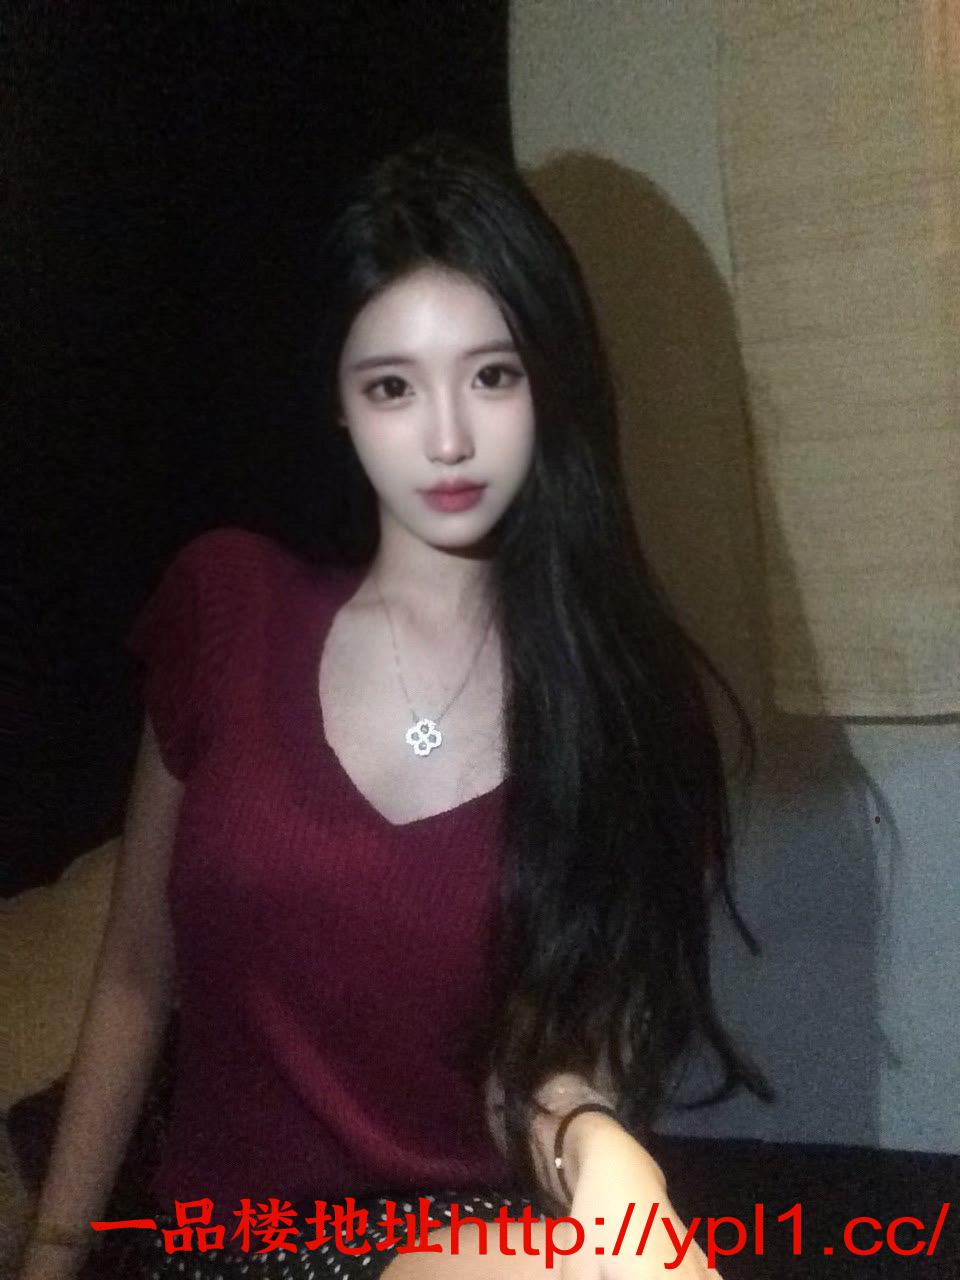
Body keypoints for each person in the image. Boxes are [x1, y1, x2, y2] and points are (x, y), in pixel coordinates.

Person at [18, 132, 773, 1280]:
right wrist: (54, 1250)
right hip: (232, 1247)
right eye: (392, 386)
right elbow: (135, 968)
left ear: (548, 380)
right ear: (338, 402)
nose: (449, 437)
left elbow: (553, 1061)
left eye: (492, 374)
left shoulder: (615, 700)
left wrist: (596, 1139)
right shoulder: (229, 608)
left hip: (453, 1246)